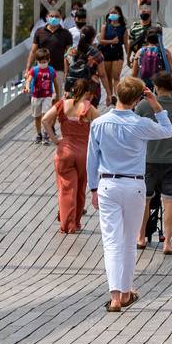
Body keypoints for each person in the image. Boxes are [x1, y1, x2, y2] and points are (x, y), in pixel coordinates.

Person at [86, 76, 172, 312]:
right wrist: (155, 104)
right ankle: (126, 291)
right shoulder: (140, 123)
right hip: (134, 185)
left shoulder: (99, 123)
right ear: (137, 99)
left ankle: (115, 294)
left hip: (108, 184)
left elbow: (92, 159)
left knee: (111, 240)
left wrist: (93, 188)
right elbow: (167, 131)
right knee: (128, 241)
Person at [136, 69, 172, 254]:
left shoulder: (143, 106)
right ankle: (167, 243)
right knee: (169, 201)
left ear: (156, 88)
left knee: (145, 200)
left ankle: (141, 237)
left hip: (148, 159)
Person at [44, 79, 100, 233]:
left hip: (64, 151)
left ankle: (67, 225)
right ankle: (75, 222)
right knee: (80, 188)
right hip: (84, 153)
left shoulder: (63, 104)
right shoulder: (90, 109)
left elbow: (45, 120)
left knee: (66, 188)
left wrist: (55, 140)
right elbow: (101, 128)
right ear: (88, 93)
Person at [25, 48, 62, 144]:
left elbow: (56, 83)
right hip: (36, 96)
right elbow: (28, 80)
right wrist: (27, 87)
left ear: (48, 60)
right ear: (37, 61)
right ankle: (39, 134)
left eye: (44, 61)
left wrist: (57, 95)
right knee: (37, 116)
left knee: (46, 115)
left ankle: (46, 134)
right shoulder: (34, 70)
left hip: (47, 96)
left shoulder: (51, 70)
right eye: (40, 62)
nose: (42, 63)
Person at [97, 7, 128, 101]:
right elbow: (101, 41)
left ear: (119, 14)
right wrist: (112, 41)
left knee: (116, 76)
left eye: (114, 13)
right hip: (106, 54)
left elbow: (126, 43)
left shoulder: (123, 28)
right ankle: (110, 95)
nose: (112, 15)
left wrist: (129, 56)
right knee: (108, 76)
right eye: (111, 13)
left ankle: (117, 95)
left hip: (118, 54)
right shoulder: (105, 26)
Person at [64, 31, 103, 107]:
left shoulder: (72, 51)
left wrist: (66, 72)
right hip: (87, 85)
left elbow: (65, 58)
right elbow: (102, 74)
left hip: (72, 84)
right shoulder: (94, 52)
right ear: (92, 39)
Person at [31, 8, 74, 73]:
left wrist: (68, 71)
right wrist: (27, 69)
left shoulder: (66, 33)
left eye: (57, 16)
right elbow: (33, 52)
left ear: (60, 18)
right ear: (47, 17)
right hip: (41, 70)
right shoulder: (39, 32)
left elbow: (69, 53)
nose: (54, 18)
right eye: (51, 16)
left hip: (59, 70)